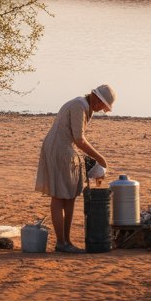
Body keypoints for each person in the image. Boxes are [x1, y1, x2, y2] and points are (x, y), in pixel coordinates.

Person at [34, 84, 115, 253]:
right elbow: (79, 139)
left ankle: (65, 241)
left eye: (103, 107)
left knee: (69, 195)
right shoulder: (79, 106)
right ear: (94, 96)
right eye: (102, 104)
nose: (101, 109)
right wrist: (100, 158)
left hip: (63, 148)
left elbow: (76, 138)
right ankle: (62, 243)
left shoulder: (86, 108)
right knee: (58, 195)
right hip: (59, 149)